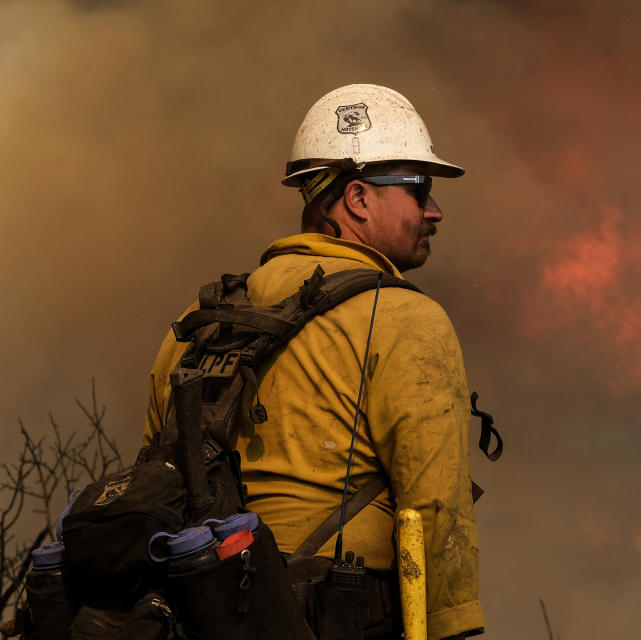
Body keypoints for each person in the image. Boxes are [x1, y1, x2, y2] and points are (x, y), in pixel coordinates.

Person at [144, 84, 483, 640]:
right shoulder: (405, 319)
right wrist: (451, 625)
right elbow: (433, 506)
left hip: (200, 616)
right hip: (344, 615)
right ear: (357, 198)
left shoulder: (196, 323)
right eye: (419, 188)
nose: (434, 210)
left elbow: (157, 480)